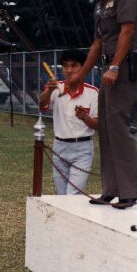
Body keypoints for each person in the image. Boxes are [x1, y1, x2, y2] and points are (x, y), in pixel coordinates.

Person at [71, 0, 137, 209]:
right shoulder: (101, 1)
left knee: (118, 127)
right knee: (105, 128)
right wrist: (81, 74)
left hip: (121, 69)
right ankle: (112, 189)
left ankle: (132, 191)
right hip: (108, 69)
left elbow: (127, 31)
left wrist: (114, 66)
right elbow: (97, 43)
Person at [39, 50, 98, 195]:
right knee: (61, 194)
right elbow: (42, 105)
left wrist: (84, 117)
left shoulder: (93, 93)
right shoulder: (55, 88)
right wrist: (48, 91)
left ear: (83, 67)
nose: (69, 70)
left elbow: (97, 125)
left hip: (83, 148)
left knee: (73, 194)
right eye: (65, 66)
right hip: (59, 146)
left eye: (74, 65)